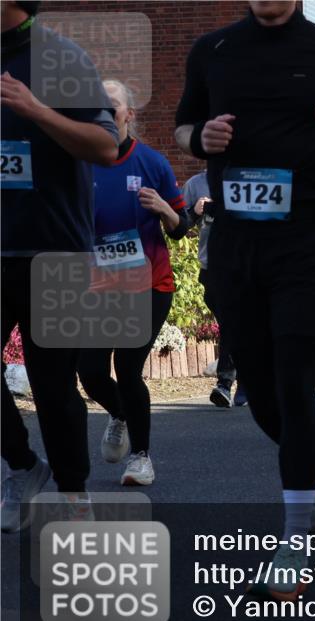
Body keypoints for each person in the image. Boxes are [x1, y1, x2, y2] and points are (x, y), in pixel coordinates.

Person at [174, 0, 315, 599]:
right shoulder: (213, 50)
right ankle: (312, 450)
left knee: (295, 378)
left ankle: (295, 536)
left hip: (304, 241)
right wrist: (203, 136)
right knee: (260, 386)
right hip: (235, 244)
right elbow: (182, 126)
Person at [1, 0, 119, 531]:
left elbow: (105, 146)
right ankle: (24, 466)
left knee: (51, 385)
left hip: (54, 251)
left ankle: (74, 494)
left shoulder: (61, 59)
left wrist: (37, 111)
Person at [77, 80, 192, 486]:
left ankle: (141, 457)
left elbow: (182, 228)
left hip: (149, 284)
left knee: (127, 367)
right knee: (89, 371)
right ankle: (121, 413)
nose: (105, 115)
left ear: (129, 114)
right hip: (99, 286)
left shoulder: (152, 163)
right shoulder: (80, 163)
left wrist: (164, 209)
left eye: (113, 107)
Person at [184, 169, 245, 408]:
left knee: (234, 321)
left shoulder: (245, 178)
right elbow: (179, 226)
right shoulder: (195, 183)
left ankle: (225, 383)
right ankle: (239, 378)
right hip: (211, 265)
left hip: (243, 264)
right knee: (231, 322)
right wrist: (194, 211)